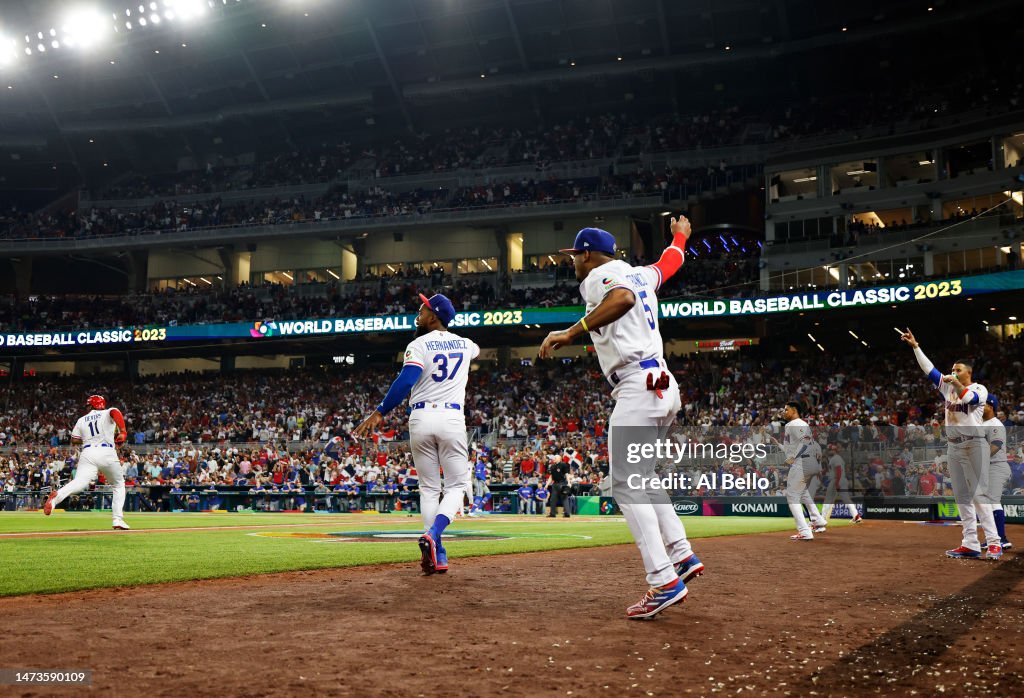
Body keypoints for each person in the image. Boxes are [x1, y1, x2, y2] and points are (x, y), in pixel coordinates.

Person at [539, 219, 703, 620]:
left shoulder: (601, 274)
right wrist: (681, 235)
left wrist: (572, 331)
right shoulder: (639, 271)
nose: (573, 262)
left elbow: (624, 299)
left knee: (627, 486)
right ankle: (681, 554)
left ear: (589, 254)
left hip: (637, 385)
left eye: (575, 255)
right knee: (642, 478)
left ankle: (663, 579)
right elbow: (670, 262)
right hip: (662, 384)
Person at [354, 293, 479, 575]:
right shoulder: (467, 344)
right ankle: (434, 536)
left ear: (434, 315)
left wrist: (380, 411)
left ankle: (436, 550)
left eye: (423, 309)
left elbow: (407, 379)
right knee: (458, 486)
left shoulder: (418, 344)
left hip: (421, 417)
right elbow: (475, 350)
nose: (418, 312)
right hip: (451, 417)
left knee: (429, 488)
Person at [899, 329, 1000, 559]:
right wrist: (916, 346)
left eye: (958, 369)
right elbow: (929, 369)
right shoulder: (947, 387)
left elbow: (967, 399)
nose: (953, 372)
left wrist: (954, 382)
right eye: (952, 369)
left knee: (978, 496)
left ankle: (994, 542)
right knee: (961, 497)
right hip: (953, 446)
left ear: (969, 372)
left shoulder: (978, 389)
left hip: (973, 445)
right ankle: (970, 543)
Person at [42, 395, 130, 530]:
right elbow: (115, 412)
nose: (87, 408)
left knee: (79, 483)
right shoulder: (107, 412)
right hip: (106, 451)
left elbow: (74, 440)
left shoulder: (81, 419)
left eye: (88, 405)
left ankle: (56, 497)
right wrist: (123, 431)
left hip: (88, 452)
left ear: (92, 405)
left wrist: (91, 439)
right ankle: (117, 519)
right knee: (118, 485)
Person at [778, 402, 827, 540]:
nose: (784, 412)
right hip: (809, 462)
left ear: (794, 410)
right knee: (803, 492)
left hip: (803, 461)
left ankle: (804, 531)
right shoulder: (796, 424)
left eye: (786, 409)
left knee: (792, 495)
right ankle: (817, 520)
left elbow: (804, 442)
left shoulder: (795, 423)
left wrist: (794, 457)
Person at [982, 395, 1013, 550]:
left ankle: (1002, 538)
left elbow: (996, 446)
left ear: (991, 406)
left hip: (997, 466)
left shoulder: (995, 423)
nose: (980, 407)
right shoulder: (982, 424)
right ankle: (993, 538)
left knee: (992, 501)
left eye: (983, 404)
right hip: (987, 467)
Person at [822, 443, 863, 524]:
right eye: (829, 449)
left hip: (837, 480)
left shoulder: (836, 458)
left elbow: (839, 470)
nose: (829, 451)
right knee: (846, 499)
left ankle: (822, 519)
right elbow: (833, 470)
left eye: (830, 449)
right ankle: (856, 516)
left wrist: (837, 482)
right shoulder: (835, 458)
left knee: (828, 499)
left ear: (834, 450)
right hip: (841, 480)